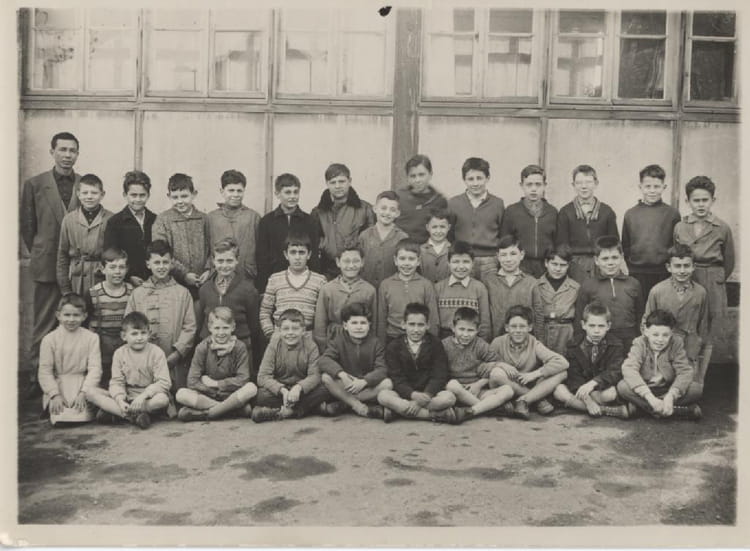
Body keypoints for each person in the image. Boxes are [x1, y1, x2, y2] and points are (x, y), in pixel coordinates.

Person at [20, 132, 82, 397]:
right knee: (44, 323)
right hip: (46, 264)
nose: (67, 155)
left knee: (76, 320)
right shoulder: (35, 184)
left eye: (72, 150)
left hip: (76, 268)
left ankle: (71, 378)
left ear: (77, 154)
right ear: (52, 152)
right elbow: (27, 226)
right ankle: (37, 377)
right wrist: (42, 250)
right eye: (62, 149)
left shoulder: (84, 184)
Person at [673, 175, 735, 379]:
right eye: (696, 200)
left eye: (705, 200)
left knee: (707, 329)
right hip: (687, 277)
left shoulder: (722, 228)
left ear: (713, 200)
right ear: (687, 201)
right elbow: (677, 253)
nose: (700, 204)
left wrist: (715, 278)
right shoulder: (680, 226)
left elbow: (729, 261)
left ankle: (701, 378)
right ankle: (685, 374)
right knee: (686, 323)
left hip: (712, 279)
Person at [125, 240, 196, 394]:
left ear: (171, 263)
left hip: (174, 360)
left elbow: (190, 327)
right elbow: (129, 326)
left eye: (165, 262)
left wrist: (177, 354)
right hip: (143, 359)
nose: (161, 266)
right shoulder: (137, 294)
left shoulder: (182, 293)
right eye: (157, 262)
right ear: (148, 264)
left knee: (174, 395)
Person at [86, 311, 171, 429]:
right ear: (124, 336)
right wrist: (120, 400)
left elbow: (164, 382)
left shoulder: (156, 352)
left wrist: (144, 396)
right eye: (134, 334)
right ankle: (133, 416)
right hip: (127, 395)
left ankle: (118, 413)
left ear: (149, 334)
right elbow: (117, 382)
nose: (139, 338)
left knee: (162, 399)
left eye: (143, 333)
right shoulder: (119, 353)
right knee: (90, 392)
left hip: (148, 398)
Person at [643, 244, 709, 391]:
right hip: (663, 347)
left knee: (693, 389)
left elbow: (703, 325)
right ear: (669, 267)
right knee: (657, 384)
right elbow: (646, 322)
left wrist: (697, 349)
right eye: (677, 266)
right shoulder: (657, 291)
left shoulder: (700, 292)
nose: (682, 270)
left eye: (686, 266)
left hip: (688, 350)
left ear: (693, 267)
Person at [377, 303, 457, 423]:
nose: (416, 330)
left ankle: (398, 412)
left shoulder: (435, 343)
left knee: (449, 398)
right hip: (405, 394)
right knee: (383, 396)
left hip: (429, 394)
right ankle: (434, 415)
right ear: (403, 324)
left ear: (427, 325)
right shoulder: (394, 346)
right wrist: (413, 395)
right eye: (411, 324)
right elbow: (396, 378)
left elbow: (439, 375)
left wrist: (425, 397)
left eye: (420, 325)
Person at [617, 309, 702, 420]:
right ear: (646, 331)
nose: (660, 340)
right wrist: (650, 397)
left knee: (695, 389)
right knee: (623, 386)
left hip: (667, 388)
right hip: (644, 388)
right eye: (655, 335)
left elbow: (684, 371)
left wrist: (671, 396)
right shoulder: (639, 343)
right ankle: (676, 410)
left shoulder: (676, 343)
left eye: (665, 335)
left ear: (671, 333)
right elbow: (629, 368)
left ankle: (643, 409)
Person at [176, 307, 257, 422]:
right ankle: (230, 410)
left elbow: (243, 379)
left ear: (233, 327)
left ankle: (208, 413)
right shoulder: (202, 347)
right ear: (210, 328)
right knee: (181, 394)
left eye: (225, 328)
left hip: (231, 394)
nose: (221, 333)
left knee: (251, 388)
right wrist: (211, 391)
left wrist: (215, 384)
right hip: (208, 395)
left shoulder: (239, 347)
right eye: (217, 328)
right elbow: (192, 381)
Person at [488, 305, 568, 420]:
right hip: (506, 387)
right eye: (513, 326)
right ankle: (536, 399)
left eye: (522, 326)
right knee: (496, 373)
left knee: (562, 373)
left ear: (529, 327)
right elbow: (483, 366)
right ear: (507, 328)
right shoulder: (498, 342)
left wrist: (534, 374)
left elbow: (562, 362)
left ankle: (523, 401)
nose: (518, 331)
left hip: (526, 382)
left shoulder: (534, 343)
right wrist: (501, 365)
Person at [552, 303, 628, 419]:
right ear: (583, 325)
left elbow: (615, 371)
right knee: (559, 390)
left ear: (608, 326)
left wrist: (593, 383)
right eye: (592, 326)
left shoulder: (616, 344)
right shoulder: (574, 345)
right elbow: (573, 376)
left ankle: (580, 406)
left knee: (611, 394)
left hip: (600, 388)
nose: (596, 331)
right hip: (579, 389)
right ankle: (603, 410)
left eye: (601, 326)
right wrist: (588, 401)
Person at [252, 309, 329, 423]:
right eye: (286, 329)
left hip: (302, 391)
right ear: (279, 330)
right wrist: (282, 390)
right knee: (260, 395)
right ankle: (309, 408)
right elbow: (263, 376)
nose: (290, 333)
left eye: (295, 328)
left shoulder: (311, 346)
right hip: (281, 391)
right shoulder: (274, 345)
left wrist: (299, 388)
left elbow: (315, 375)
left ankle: (285, 412)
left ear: (303, 330)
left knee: (325, 389)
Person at [318, 302, 392, 419]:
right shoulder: (338, 340)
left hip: (366, 386)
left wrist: (364, 381)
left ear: (369, 325)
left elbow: (382, 369)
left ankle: (346, 403)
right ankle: (360, 407)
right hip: (347, 384)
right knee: (326, 377)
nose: (359, 327)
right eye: (354, 323)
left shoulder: (375, 343)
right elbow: (324, 360)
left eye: (363, 323)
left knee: (387, 384)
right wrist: (342, 374)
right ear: (345, 325)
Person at [196, 237, 261, 369]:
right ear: (213, 261)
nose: (224, 265)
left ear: (237, 260)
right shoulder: (205, 289)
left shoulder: (248, 290)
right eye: (220, 261)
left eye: (229, 261)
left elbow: (254, 327)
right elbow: (202, 323)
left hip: (239, 351)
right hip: (212, 351)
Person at [38, 294, 101, 425]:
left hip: (82, 386)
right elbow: (45, 371)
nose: (71, 320)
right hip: (59, 386)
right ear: (58, 315)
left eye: (76, 315)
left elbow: (95, 369)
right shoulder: (49, 339)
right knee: (61, 417)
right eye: (67, 315)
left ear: (84, 316)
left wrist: (84, 392)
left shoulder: (91, 338)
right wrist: (54, 394)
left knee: (82, 416)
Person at [443, 308, 514, 422]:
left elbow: (497, 362)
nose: (465, 334)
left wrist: (479, 384)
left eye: (470, 330)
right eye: (461, 329)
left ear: (477, 330)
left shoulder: (480, 344)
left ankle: (471, 411)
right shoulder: (444, 345)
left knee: (508, 390)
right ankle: (490, 408)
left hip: (477, 390)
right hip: (456, 392)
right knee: (452, 385)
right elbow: (439, 372)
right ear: (453, 328)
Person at [575, 235, 644, 353]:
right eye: (605, 259)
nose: (610, 263)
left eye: (614, 257)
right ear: (596, 260)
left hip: (629, 339)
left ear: (622, 257)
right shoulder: (588, 285)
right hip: (601, 340)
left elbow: (640, 315)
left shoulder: (633, 283)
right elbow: (579, 318)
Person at [621, 164, 681, 299]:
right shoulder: (631, 214)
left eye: (656, 186)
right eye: (648, 186)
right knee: (640, 305)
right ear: (640, 187)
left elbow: (676, 244)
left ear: (664, 187)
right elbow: (626, 244)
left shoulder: (672, 214)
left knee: (662, 305)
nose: (652, 191)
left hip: (663, 272)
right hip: (637, 272)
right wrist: (632, 265)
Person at [256, 173, 320, 293]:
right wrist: (263, 286)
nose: (292, 196)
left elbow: (314, 255)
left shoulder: (309, 221)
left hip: (303, 281)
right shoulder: (267, 221)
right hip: (275, 280)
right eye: (288, 192)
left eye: (295, 192)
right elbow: (262, 257)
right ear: (277, 194)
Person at [556, 164, 619, 283]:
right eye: (579, 183)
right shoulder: (565, 212)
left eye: (588, 182)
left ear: (596, 183)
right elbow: (562, 245)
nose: (584, 186)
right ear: (573, 185)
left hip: (601, 264)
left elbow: (613, 243)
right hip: (575, 265)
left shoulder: (607, 212)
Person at [311, 163, 375, 280]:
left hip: (356, 270)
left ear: (349, 181)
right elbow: (314, 240)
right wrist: (325, 245)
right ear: (327, 184)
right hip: (328, 270)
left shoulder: (365, 209)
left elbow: (371, 241)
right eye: (333, 182)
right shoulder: (318, 212)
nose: (337, 186)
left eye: (341, 181)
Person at [152, 173, 211, 298]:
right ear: (169, 196)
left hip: (203, 282)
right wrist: (184, 274)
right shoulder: (162, 220)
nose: (180, 201)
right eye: (175, 197)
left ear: (194, 194)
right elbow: (161, 252)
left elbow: (212, 248)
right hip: (174, 283)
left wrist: (208, 269)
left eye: (184, 196)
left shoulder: (204, 219)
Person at [259, 232, 327, 339]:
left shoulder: (320, 281)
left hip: (308, 338)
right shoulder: (275, 279)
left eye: (302, 252)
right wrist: (272, 335)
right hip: (280, 336)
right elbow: (264, 312)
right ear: (286, 255)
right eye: (293, 252)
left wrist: (315, 338)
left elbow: (323, 316)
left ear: (309, 254)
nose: (297, 257)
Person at [447, 157, 505, 279]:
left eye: (479, 178)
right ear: (464, 179)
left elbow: (502, 233)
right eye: (470, 179)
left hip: (490, 260)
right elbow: (450, 233)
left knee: (491, 290)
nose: (475, 183)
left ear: (487, 178)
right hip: (463, 258)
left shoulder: (497, 204)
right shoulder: (454, 203)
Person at [84, 247, 134, 388]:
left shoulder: (132, 292)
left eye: (121, 267)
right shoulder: (93, 293)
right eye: (112, 267)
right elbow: (84, 326)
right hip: (100, 351)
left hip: (125, 349)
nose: (117, 272)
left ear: (127, 269)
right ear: (102, 269)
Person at [57, 173, 112, 296]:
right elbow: (62, 256)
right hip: (76, 280)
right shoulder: (69, 220)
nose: (89, 197)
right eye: (85, 193)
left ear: (102, 194)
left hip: (102, 279)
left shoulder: (111, 219)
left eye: (94, 193)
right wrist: (65, 289)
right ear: (78, 194)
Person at [313, 246, 376, 351]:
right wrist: (322, 343)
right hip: (333, 339)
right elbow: (320, 320)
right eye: (346, 261)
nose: (351, 265)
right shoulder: (328, 289)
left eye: (355, 261)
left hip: (360, 340)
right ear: (338, 262)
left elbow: (374, 322)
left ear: (362, 262)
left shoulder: (369, 290)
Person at [500, 164, 557, 278]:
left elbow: (557, 242)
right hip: (520, 266)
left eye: (538, 184)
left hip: (545, 267)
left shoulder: (552, 212)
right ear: (521, 185)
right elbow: (505, 241)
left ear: (545, 186)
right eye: (529, 184)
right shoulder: (512, 211)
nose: (533, 189)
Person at [377, 239, 439, 343]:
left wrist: (431, 343)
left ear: (418, 261)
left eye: (411, 259)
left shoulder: (426, 285)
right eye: (402, 259)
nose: (406, 263)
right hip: (393, 337)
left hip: (419, 337)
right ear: (395, 260)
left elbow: (432, 317)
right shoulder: (386, 285)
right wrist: (381, 345)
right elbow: (381, 319)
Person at [206, 169, 261, 285]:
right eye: (231, 190)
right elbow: (207, 249)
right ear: (222, 191)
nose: (235, 195)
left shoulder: (253, 217)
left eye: (239, 191)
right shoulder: (212, 218)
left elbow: (260, 249)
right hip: (219, 275)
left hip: (246, 276)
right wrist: (208, 269)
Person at [103, 170, 157, 286]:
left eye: (142, 195)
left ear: (148, 195)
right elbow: (111, 255)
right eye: (133, 195)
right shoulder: (115, 222)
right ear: (125, 195)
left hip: (153, 280)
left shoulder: (155, 220)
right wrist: (129, 276)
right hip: (126, 282)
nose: (138, 199)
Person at [434, 241, 491, 341]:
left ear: (472, 263)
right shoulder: (438, 288)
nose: (461, 267)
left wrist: (479, 346)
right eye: (456, 262)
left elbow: (485, 324)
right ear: (448, 263)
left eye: (466, 262)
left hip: (471, 339)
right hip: (444, 340)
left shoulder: (479, 288)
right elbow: (434, 323)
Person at [482, 235, 536, 338]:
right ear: (498, 256)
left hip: (524, 340)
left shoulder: (531, 283)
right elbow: (484, 316)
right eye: (503, 255)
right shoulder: (488, 282)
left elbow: (538, 316)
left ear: (522, 255)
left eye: (513, 254)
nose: (508, 259)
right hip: (495, 340)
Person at [531, 245, 580, 354]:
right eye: (554, 264)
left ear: (568, 265)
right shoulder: (535, 285)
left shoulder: (575, 288)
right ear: (546, 263)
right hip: (542, 332)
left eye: (563, 265)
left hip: (566, 334)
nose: (558, 269)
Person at [357, 190, 408, 290]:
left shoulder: (402, 237)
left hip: (392, 290)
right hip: (367, 289)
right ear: (375, 209)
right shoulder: (364, 236)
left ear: (397, 213)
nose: (387, 213)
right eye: (383, 208)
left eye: (392, 210)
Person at [395, 154, 448, 243]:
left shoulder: (439, 201)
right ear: (407, 177)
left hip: (426, 248)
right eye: (413, 176)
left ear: (430, 174)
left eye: (421, 175)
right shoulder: (399, 196)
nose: (417, 180)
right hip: (401, 247)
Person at [419, 209, 452, 284]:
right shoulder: (420, 250)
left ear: (449, 227)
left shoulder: (453, 250)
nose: (438, 231)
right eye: (434, 227)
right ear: (427, 227)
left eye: (442, 227)